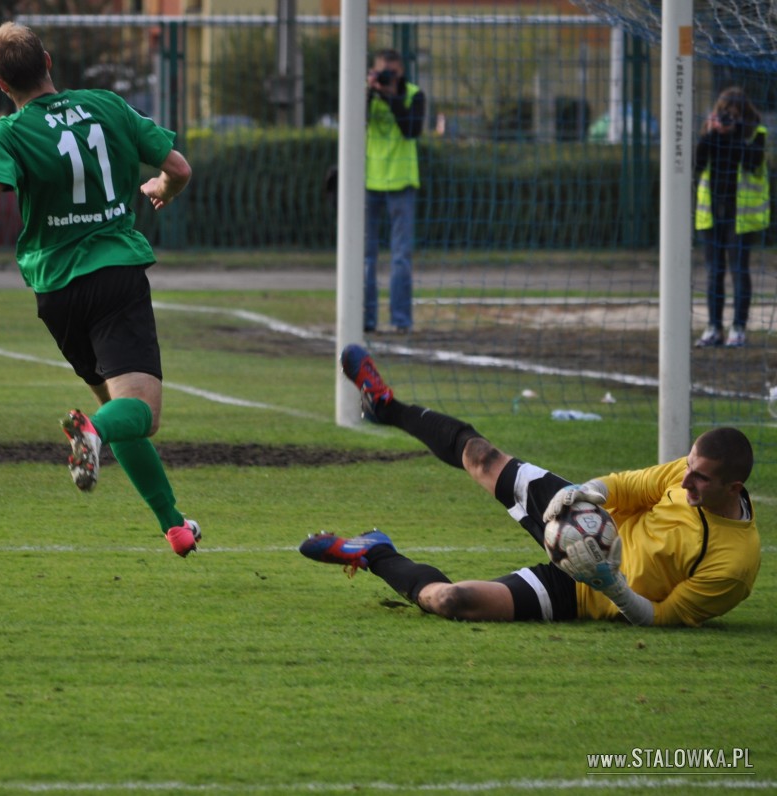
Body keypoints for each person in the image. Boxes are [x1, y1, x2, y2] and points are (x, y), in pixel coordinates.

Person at [0, 22, 201, 557]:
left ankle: (175, 525)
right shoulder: (107, 105)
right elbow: (179, 167)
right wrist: (163, 188)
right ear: (48, 61)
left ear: (1, 86)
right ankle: (92, 431)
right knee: (142, 413)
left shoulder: (9, 133)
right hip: (115, 274)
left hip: (58, 294)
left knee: (123, 415)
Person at [300, 343, 760, 626]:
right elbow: (622, 486)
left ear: (734, 486)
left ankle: (375, 552)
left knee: (452, 601)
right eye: (688, 467)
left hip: (585, 594)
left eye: (700, 477)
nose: (685, 479)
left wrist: (611, 585)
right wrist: (584, 493)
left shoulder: (735, 564)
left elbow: (665, 618)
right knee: (482, 457)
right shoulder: (685, 472)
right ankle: (388, 408)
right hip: (582, 521)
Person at [693, 87, 769, 348]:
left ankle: (738, 328)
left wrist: (734, 134)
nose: (727, 118)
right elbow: (696, 166)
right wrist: (712, 134)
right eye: (724, 113)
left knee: (739, 271)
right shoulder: (710, 133)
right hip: (712, 214)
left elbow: (752, 162)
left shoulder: (755, 133)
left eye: (733, 114)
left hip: (741, 217)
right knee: (714, 272)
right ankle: (714, 327)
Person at [363, 49, 425, 334]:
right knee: (366, 256)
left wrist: (391, 96)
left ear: (400, 71)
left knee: (400, 256)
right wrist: (368, 91)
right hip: (369, 183)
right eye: (382, 71)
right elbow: (354, 121)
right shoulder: (366, 94)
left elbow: (411, 130)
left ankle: (401, 320)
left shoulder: (414, 94)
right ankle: (366, 319)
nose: (388, 76)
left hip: (402, 183)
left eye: (392, 72)